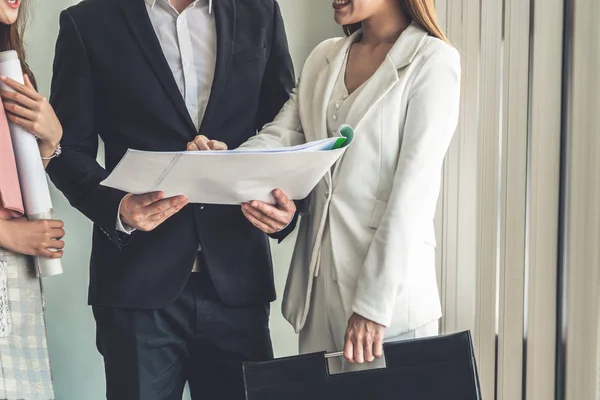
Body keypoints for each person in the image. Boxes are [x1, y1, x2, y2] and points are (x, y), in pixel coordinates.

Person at [189, 0, 461, 373]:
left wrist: (372, 307)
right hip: (317, 298)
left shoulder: (433, 60)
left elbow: (413, 197)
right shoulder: (324, 57)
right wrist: (225, 160)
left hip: (389, 306)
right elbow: (282, 136)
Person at [46, 0, 295, 398]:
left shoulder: (259, 11)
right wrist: (118, 208)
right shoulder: (87, 21)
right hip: (136, 285)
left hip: (237, 281)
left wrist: (286, 207)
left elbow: (286, 129)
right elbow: (63, 148)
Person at [0, 0, 65, 398]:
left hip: (17, 276)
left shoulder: (11, 70)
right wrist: (10, 235)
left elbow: (14, 179)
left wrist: (51, 140)